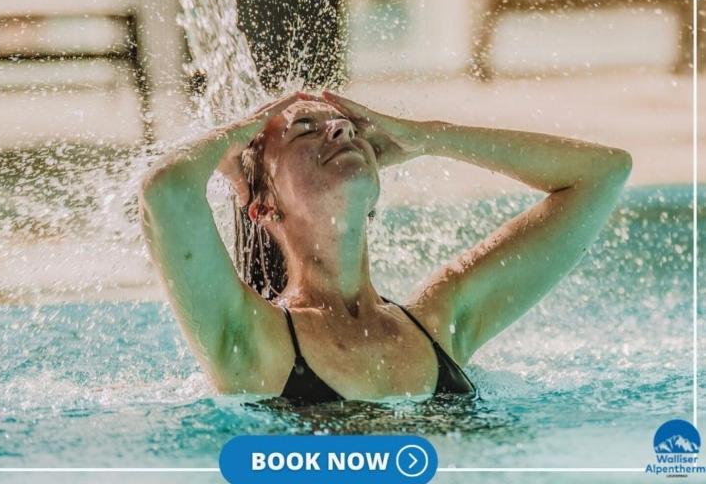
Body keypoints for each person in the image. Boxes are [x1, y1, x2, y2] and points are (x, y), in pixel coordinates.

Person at [139, 90, 632, 403]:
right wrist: (241, 134)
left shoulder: (442, 321)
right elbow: (166, 190)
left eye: (351, 130)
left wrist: (428, 136)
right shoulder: (249, 341)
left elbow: (602, 173)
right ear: (263, 206)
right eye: (305, 131)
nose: (340, 129)